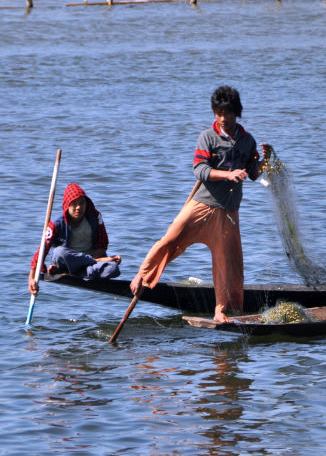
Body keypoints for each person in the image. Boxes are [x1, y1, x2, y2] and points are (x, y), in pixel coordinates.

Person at [130, 86, 272, 323]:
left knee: (227, 263)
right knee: (170, 239)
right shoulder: (208, 137)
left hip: (228, 212)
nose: (223, 119)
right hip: (202, 205)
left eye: (227, 113)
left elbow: (254, 173)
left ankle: (220, 310)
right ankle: (141, 277)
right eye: (218, 113)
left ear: (236, 113)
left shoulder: (248, 141)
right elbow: (200, 170)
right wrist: (227, 175)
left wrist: (266, 159)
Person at [29, 183, 121, 295]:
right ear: (68, 205)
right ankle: (86, 270)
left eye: (81, 203)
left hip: (88, 266)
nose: (78, 207)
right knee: (59, 252)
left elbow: (102, 244)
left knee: (113, 268)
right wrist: (32, 278)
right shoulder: (56, 224)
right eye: (74, 204)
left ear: (86, 204)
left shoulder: (95, 218)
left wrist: (98, 258)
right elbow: (42, 250)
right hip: (67, 262)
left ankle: (82, 273)